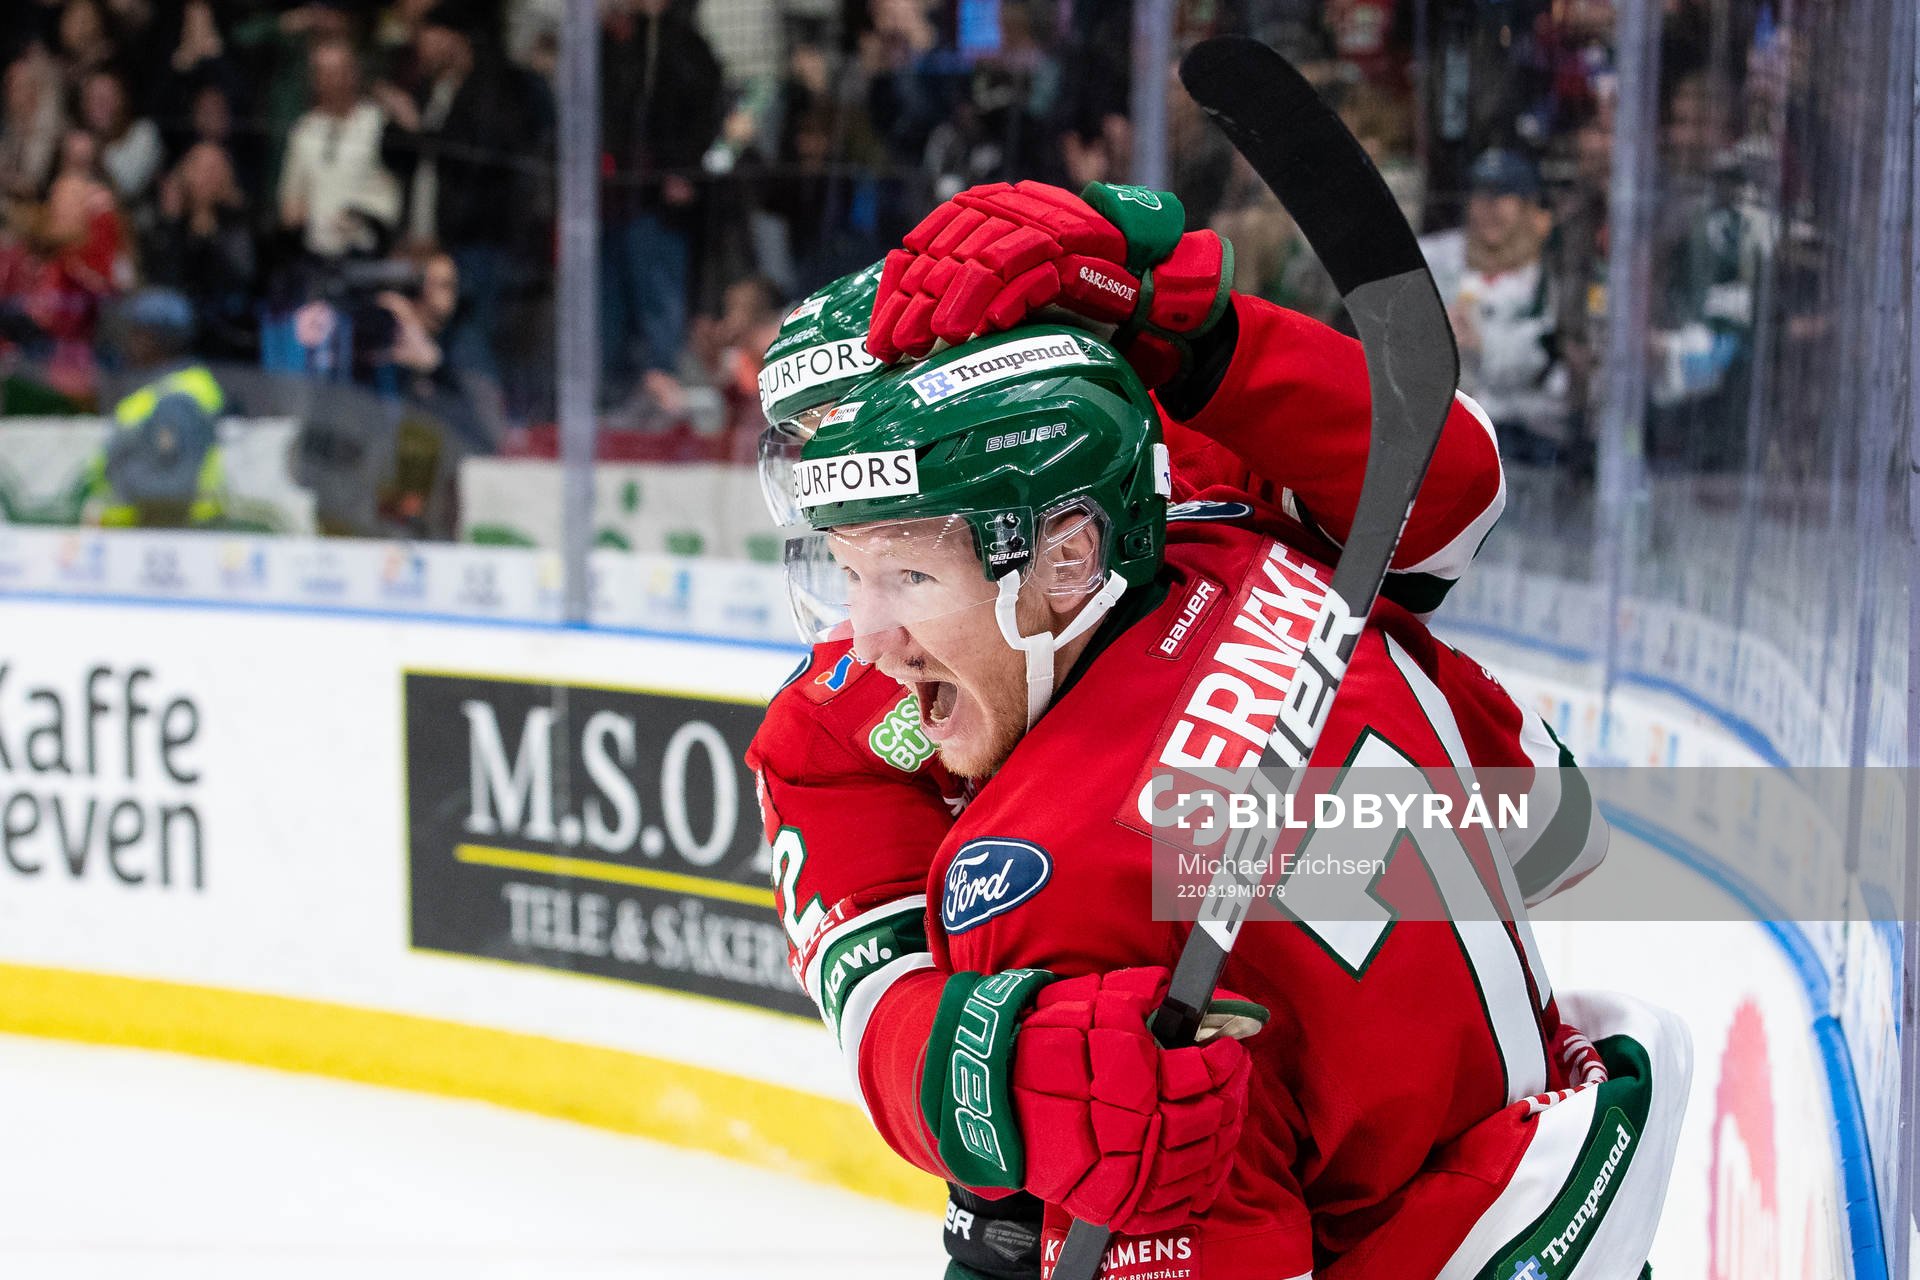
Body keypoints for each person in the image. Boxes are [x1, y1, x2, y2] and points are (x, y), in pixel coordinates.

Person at [748, 184, 1626, 1279]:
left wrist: (1202, 337)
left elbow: (1446, 494)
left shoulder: (1176, 487)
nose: (864, 618)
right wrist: (992, 1071)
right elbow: (877, 993)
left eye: (901, 542)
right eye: (839, 543)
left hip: (1437, 1121)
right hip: (1487, 1130)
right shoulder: (842, 726)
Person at [1419, 149, 1568, 468]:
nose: (1489, 207)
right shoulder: (1433, 256)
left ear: (1528, 206)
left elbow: (1553, 375)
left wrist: (1482, 346)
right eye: (1481, 195)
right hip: (1438, 437)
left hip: (1521, 447)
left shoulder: (1549, 277)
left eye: (1503, 195)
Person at [86, 287, 228, 527]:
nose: (129, 343)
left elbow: (171, 488)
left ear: (157, 337)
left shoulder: (178, 398)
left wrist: (119, 478)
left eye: (137, 333)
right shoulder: (161, 388)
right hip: (147, 534)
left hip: (165, 534)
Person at [278, 36, 401, 261]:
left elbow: (399, 182)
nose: (330, 80)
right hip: (317, 255)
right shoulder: (305, 129)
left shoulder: (378, 121)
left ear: (353, 74)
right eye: (322, 72)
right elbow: (290, 199)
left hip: (369, 251)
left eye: (337, 71)